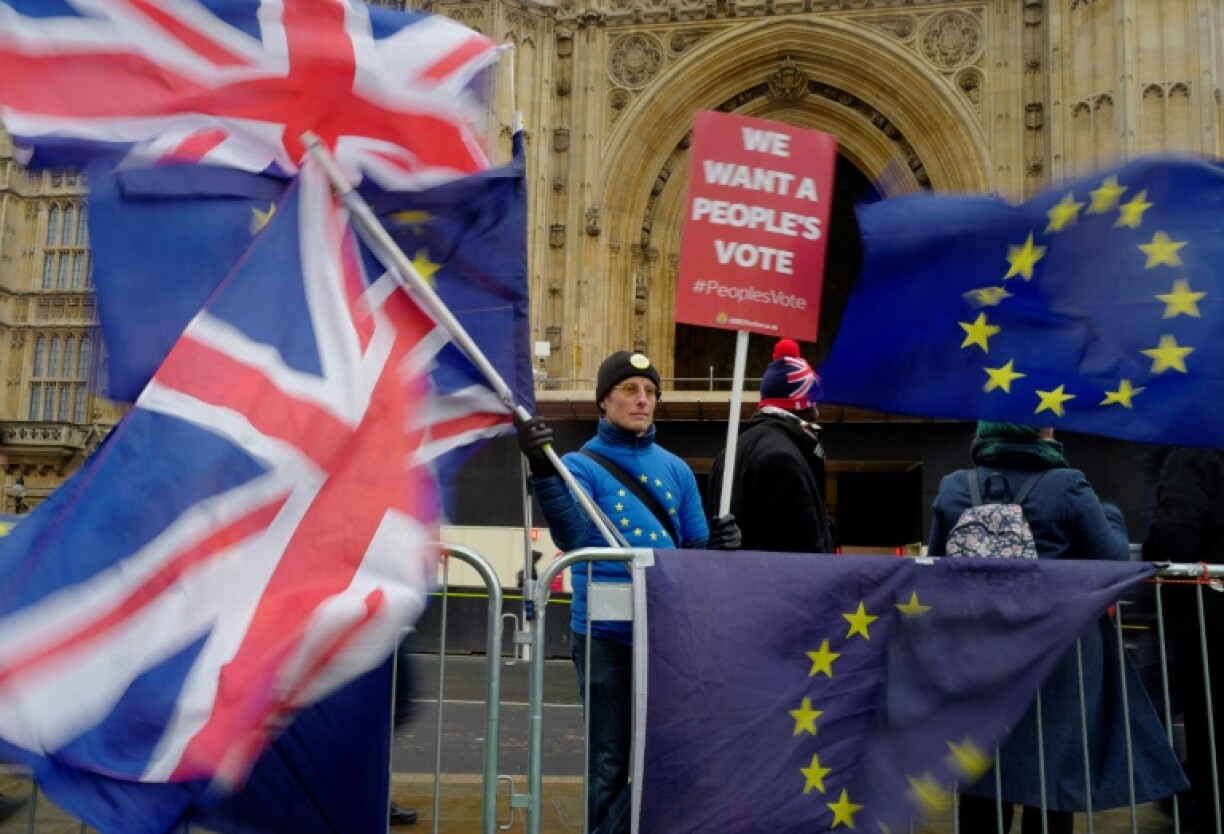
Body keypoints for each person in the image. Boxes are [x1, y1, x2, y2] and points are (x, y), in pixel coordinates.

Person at [515, 350, 739, 834]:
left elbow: (696, 549)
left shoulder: (677, 470)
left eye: (650, 392)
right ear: (603, 401)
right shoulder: (578, 464)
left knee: (671, 751)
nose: (643, 400)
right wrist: (542, 469)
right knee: (610, 760)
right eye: (630, 390)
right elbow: (573, 537)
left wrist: (723, 546)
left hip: (666, 631)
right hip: (604, 634)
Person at [927, 422, 1185, 834]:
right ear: (1038, 432)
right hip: (1056, 660)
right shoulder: (1066, 485)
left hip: (979, 656)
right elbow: (1114, 559)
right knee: (1049, 781)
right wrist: (1111, 515)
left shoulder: (955, 487)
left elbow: (937, 565)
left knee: (980, 777)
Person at [1143, 447, 1224, 832]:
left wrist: (1154, 569)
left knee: (1209, 725)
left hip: (1210, 612)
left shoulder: (1196, 451)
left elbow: (1176, 530)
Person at [708, 338, 834, 553]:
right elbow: (805, 553)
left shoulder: (727, 455)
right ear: (803, 405)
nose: (818, 412)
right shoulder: (781, 458)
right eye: (816, 404)